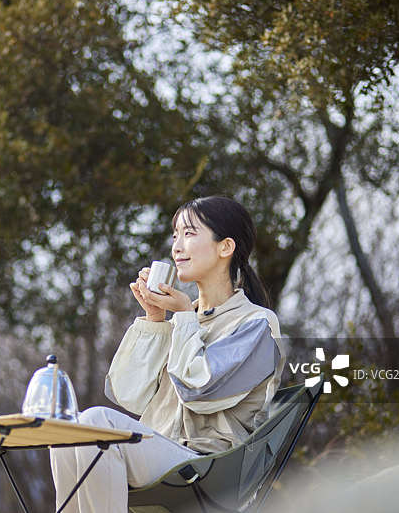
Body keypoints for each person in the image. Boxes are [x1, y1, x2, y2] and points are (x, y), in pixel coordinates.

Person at [50, 195, 286, 513]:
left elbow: (200, 392)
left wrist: (184, 317)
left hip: (211, 471)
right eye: (175, 235)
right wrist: (154, 320)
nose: (176, 246)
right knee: (70, 433)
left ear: (225, 247)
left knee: (96, 422)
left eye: (189, 233)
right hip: (160, 454)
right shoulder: (180, 321)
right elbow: (129, 395)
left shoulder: (257, 324)